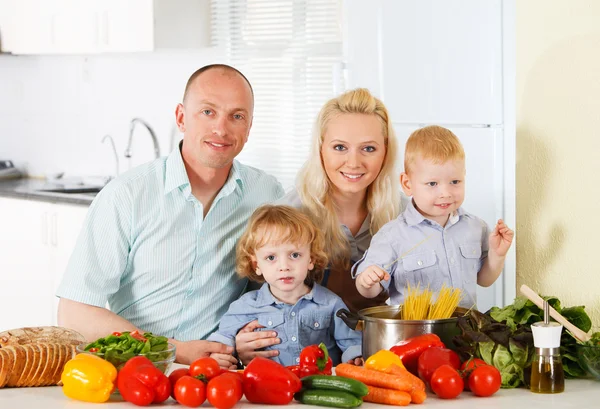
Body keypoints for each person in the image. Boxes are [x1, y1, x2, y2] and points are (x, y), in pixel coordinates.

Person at [56, 64, 284, 364]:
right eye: (208, 112)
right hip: (136, 369)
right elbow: (75, 314)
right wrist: (172, 349)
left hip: (222, 374)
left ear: (249, 127)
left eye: (237, 116)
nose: (221, 129)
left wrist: (248, 335)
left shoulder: (266, 194)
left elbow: (277, 288)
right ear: (181, 117)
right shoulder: (126, 195)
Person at [232, 88, 403, 365]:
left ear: (385, 151)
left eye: (368, 148)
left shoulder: (405, 215)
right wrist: (242, 342)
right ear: (320, 148)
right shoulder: (290, 215)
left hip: (390, 356)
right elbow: (258, 295)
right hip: (313, 365)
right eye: (339, 147)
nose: (354, 162)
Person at [354, 125, 514, 309]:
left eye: (455, 182)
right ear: (407, 184)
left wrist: (497, 255)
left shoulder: (476, 228)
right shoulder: (392, 235)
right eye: (432, 183)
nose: (445, 193)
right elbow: (369, 291)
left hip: (465, 332)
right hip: (416, 334)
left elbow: (484, 280)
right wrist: (367, 281)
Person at [207, 205, 362, 369]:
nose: (284, 266)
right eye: (271, 257)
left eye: (294, 255)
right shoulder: (246, 306)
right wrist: (219, 355)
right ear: (256, 265)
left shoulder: (331, 304)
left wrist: (355, 357)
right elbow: (223, 338)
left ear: (311, 259)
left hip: (318, 387)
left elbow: (351, 342)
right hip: (267, 388)